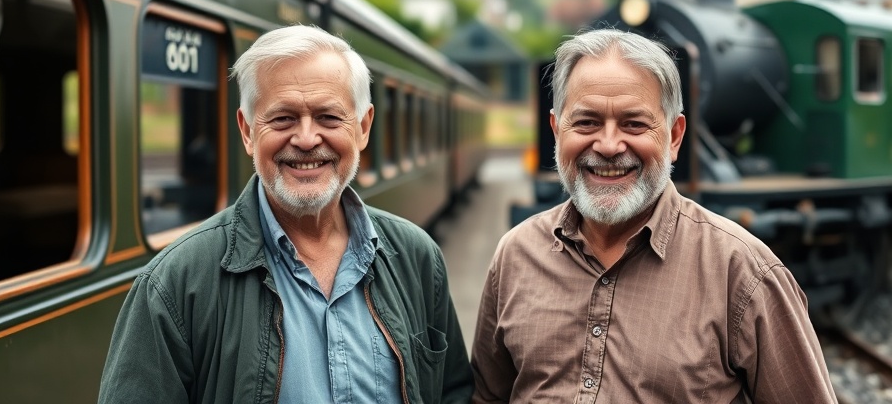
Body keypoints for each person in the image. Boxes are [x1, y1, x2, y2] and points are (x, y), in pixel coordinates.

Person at [99, 24, 474, 403]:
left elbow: (453, 393)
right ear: (247, 132)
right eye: (282, 119)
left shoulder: (417, 256)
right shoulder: (175, 285)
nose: (307, 139)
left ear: (363, 128)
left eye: (329, 117)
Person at [470, 28, 836, 403]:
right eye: (586, 123)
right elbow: (487, 397)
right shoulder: (515, 255)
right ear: (556, 130)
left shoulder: (743, 271)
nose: (609, 146)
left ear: (674, 136)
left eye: (634, 124)